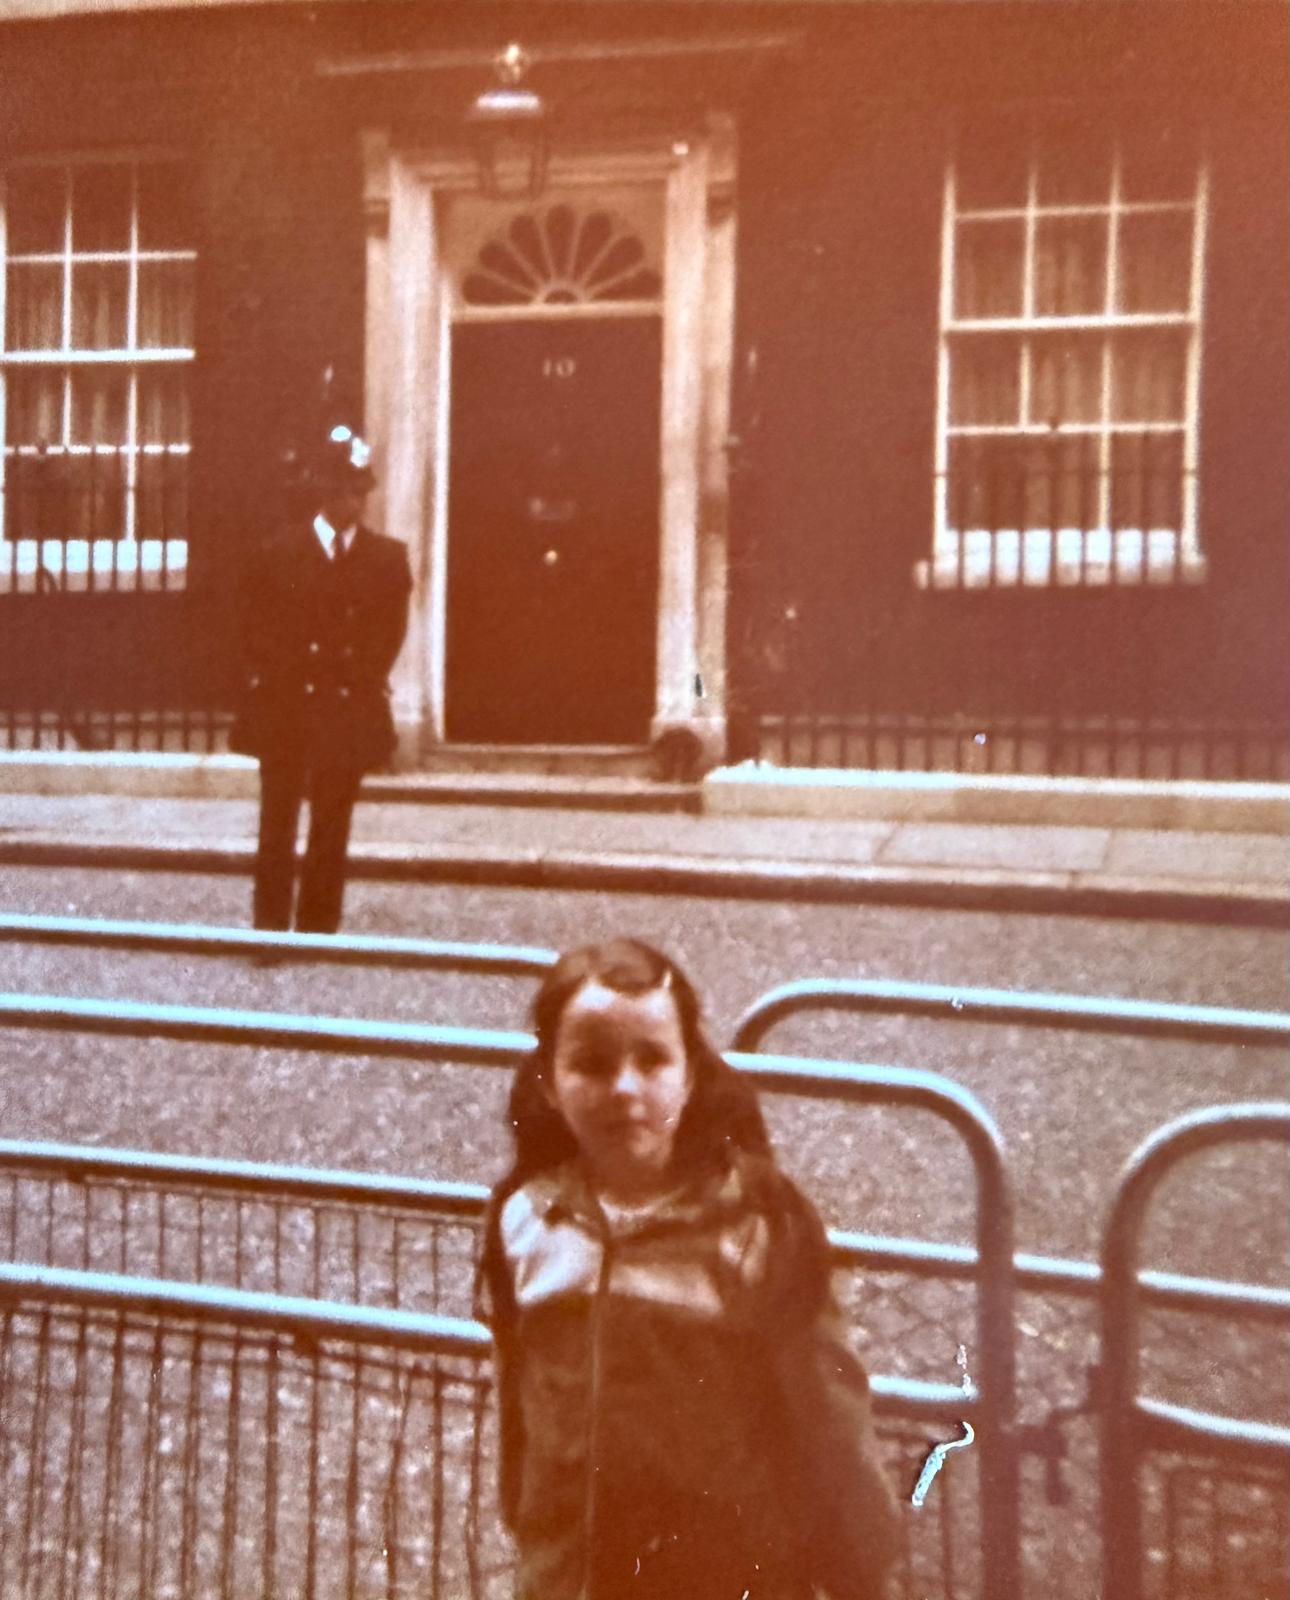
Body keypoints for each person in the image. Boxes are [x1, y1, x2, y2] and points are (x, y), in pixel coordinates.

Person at [478, 938, 902, 1600]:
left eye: (652, 1059)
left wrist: (864, 1570)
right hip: (572, 1578)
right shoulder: (527, 1219)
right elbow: (520, 1405)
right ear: (549, 1087)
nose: (625, 1087)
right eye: (591, 1064)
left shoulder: (753, 1227)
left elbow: (829, 1420)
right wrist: (531, 1534)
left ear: (691, 1074)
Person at [229, 423, 411, 935]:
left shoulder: (387, 558)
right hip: (287, 704)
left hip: (347, 704)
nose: (354, 501)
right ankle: (269, 927)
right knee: (277, 822)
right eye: (344, 490)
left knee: (332, 824)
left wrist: (357, 679)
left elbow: (388, 635)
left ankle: (318, 929)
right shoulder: (278, 553)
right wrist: (278, 675)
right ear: (324, 492)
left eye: (359, 490)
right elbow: (253, 628)